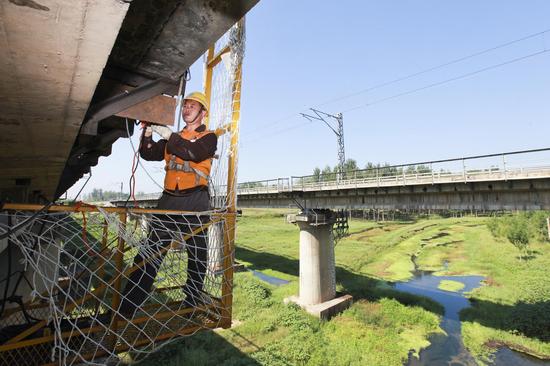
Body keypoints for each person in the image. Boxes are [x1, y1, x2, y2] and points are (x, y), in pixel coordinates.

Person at [119, 91, 217, 317]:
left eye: (192, 106)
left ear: (202, 113)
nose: (187, 109)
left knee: (197, 254)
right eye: (185, 105)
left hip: (196, 201)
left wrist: (167, 133)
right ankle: (127, 306)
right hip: (169, 200)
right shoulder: (174, 137)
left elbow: (191, 152)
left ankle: (192, 300)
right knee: (149, 252)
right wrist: (148, 132)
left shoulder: (209, 137)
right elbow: (148, 153)